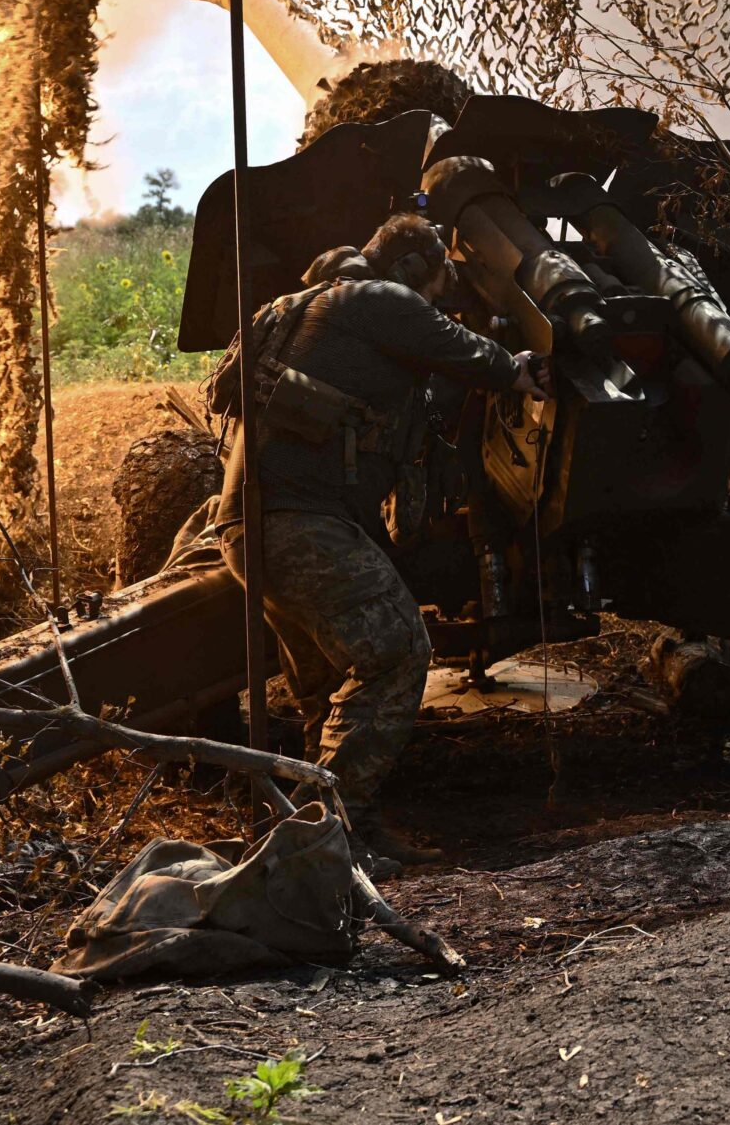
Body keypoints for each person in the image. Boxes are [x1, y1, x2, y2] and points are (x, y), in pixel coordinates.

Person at [208, 212, 536, 865]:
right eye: (440, 277)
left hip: (251, 529)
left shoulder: (301, 305)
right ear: (413, 268)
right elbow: (459, 348)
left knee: (326, 684)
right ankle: (337, 835)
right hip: (300, 525)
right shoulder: (378, 297)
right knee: (395, 651)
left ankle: (317, 836)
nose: (443, 292)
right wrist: (518, 368)